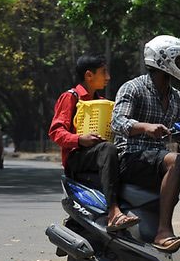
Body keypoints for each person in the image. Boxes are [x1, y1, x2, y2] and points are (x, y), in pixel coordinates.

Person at [111, 34, 180, 253]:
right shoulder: (132, 88)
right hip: (129, 158)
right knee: (175, 161)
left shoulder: (178, 98)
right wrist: (145, 127)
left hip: (156, 160)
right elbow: (117, 121)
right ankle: (163, 231)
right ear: (164, 60)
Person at [49, 54, 139, 232]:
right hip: (76, 157)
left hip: (97, 154)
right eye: (104, 72)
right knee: (108, 149)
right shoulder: (70, 97)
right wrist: (79, 139)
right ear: (89, 75)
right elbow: (55, 131)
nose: (108, 77)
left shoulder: (101, 102)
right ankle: (114, 213)